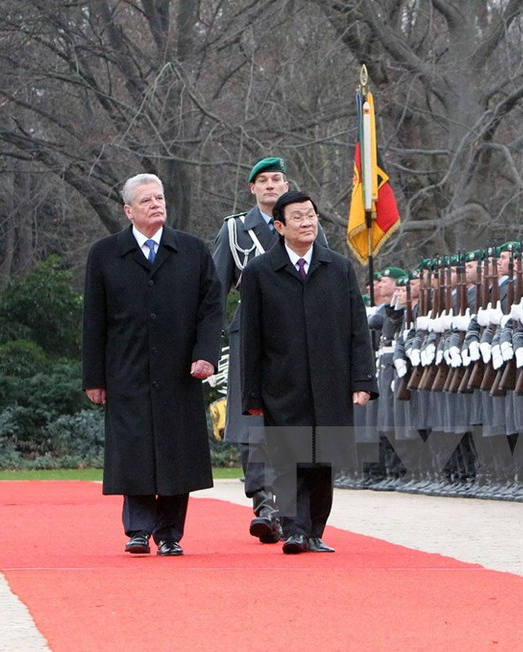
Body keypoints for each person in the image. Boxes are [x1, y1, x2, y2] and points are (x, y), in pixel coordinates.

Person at [82, 173, 223, 557]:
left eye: (159, 198)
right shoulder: (105, 254)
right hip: (126, 370)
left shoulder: (192, 251)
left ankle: (170, 533)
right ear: (128, 210)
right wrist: (94, 377)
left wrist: (206, 354)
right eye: (146, 201)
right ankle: (139, 529)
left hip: (181, 371)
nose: (156, 205)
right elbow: (93, 319)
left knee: (179, 452)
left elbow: (212, 309)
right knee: (134, 450)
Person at [240, 190, 377, 554]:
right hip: (281, 384)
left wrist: (363, 381)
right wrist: (251, 394)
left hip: (330, 380)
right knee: (289, 458)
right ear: (280, 226)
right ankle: (294, 528)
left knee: (322, 459)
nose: (307, 223)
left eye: (311, 216)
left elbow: (357, 330)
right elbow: (250, 338)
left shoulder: (338, 267)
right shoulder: (260, 273)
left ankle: (314, 529)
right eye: (298, 217)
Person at [212, 156, 328, 544]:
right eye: (262, 181)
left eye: (277, 179)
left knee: (296, 420)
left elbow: (325, 275)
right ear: (252, 189)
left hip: (300, 332)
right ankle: (263, 500)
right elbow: (215, 292)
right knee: (253, 418)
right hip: (251, 328)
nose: (271, 186)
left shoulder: (308, 225)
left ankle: (291, 507)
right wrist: (205, 347)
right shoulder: (234, 231)